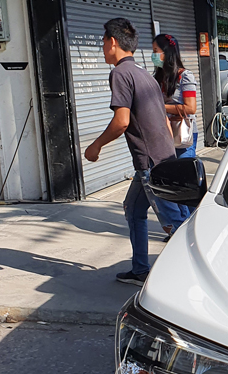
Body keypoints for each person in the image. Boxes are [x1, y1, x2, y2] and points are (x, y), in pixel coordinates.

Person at [83, 17, 178, 285]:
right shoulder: (143, 73)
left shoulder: (120, 73)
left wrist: (95, 145)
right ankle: (139, 270)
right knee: (133, 210)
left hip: (151, 164)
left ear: (112, 42)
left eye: (103, 42)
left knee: (174, 225)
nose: (102, 48)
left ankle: (199, 277)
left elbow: (122, 122)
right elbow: (164, 121)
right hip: (159, 158)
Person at [151, 33, 198, 234]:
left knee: (185, 185)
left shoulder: (185, 76)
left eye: (155, 52)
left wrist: (161, 107)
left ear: (167, 53)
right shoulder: (157, 78)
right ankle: (182, 228)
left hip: (183, 137)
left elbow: (191, 107)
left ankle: (192, 229)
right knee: (171, 185)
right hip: (164, 136)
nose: (153, 56)